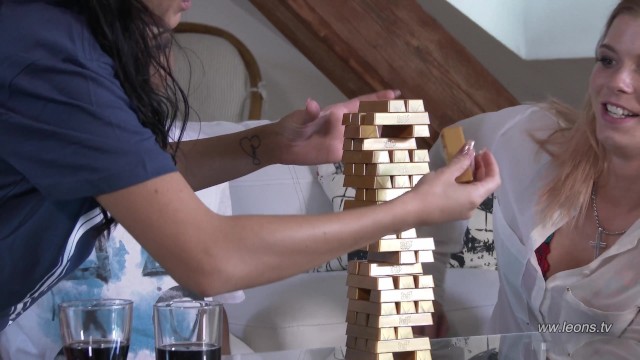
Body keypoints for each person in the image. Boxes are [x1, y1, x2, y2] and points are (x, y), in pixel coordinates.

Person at [0, 0, 500, 351]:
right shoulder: (52, 57)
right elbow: (210, 258)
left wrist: (270, 146)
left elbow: (137, 177)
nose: (189, 2)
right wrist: (411, 209)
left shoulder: (47, 34)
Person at [425, 0, 640, 358]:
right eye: (608, 60)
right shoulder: (526, 139)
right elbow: (449, 149)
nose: (617, 81)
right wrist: (422, 288)